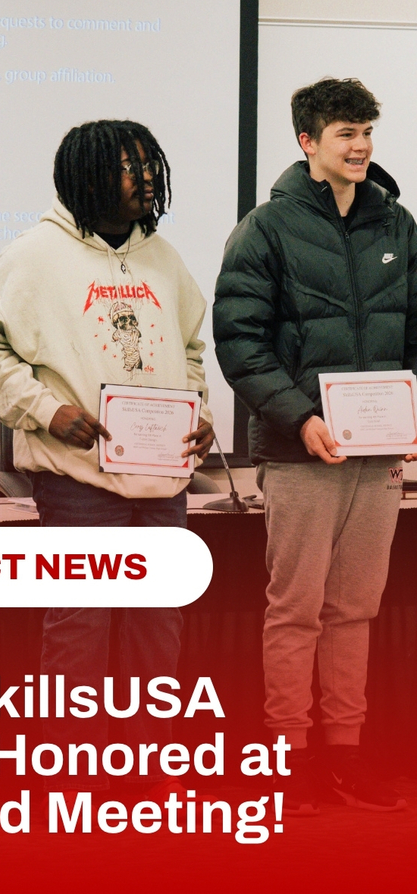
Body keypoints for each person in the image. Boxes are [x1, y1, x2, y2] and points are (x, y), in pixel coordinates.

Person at [0, 120, 213, 798]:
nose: (144, 178)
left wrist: (195, 411)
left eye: (149, 164)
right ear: (85, 177)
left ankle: (145, 778)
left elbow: (192, 350)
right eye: (127, 166)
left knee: (156, 627)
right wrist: (46, 410)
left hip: (162, 476)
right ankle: (72, 781)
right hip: (80, 480)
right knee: (80, 628)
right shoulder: (30, 256)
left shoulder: (163, 258)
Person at [214, 77, 414, 813]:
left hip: (378, 452)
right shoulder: (264, 228)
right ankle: (286, 758)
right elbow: (238, 340)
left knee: (355, 609)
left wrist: (408, 412)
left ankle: (345, 752)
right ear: (307, 142)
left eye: (365, 132)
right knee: (295, 608)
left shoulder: (396, 225)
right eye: (344, 134)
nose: (359, 146)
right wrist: (300, 417)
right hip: (301, 451)